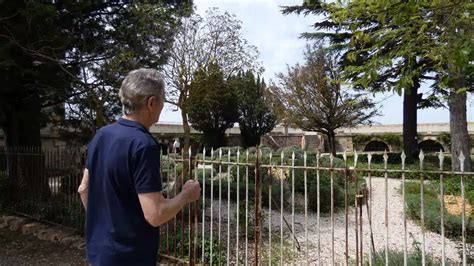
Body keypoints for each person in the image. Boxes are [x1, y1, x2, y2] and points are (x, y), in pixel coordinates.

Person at [77, 69, 201, 266]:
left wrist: (105, 228)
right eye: (163, 101)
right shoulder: (143, 144)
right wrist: (186, 195)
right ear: (151, 103)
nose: (162, 107)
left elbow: (83, 189)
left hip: (99, 252)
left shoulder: (101, 135)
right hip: (130, 257)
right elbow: (155, 214)